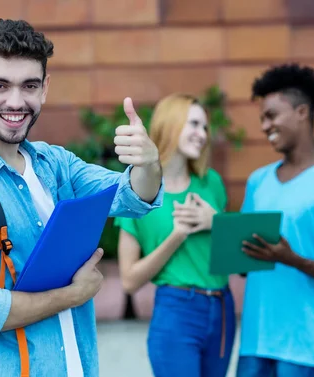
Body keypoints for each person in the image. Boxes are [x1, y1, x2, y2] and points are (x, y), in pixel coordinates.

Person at [0, 19, 164, 377]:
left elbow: (130, 197)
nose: (16, 102)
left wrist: (149, 163)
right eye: (0, 85)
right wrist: (72, 295)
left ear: (45, 88)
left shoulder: (54, 163)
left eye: (29, 86)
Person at [237, 63, 314, 377]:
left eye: (272, 115)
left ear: (302, 112)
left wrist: (291, 259)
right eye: (262, 118)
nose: (265, 126)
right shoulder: (257, 181)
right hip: (254, 340)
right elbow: (243, 259)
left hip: (300, 345)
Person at [115, 93, 236, 377]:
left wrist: (215, 221)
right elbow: (129, 280)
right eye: (194, 124)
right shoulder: (135, 193)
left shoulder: (212, 183)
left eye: (205, 127)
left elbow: (234, 259)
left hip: (222, 308)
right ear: (171, 124)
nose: (202, 134)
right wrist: (178, 235)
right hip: (177, 310)